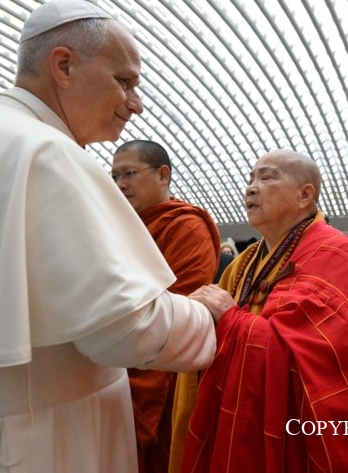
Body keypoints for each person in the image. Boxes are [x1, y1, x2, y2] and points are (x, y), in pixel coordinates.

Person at [0, 0, 217, 472]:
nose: (136, 103)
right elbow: (124, 330)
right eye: (124, 81)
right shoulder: (46, 150)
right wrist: (206, 315)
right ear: (63, 66)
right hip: (29, 439)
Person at [183, 149, 348, 472]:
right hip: (244, 409)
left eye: (266, 177)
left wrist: (231, 319)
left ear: (305, 195)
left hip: (299, 430)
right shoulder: (244, 261)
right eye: (251, 179)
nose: (251, 187)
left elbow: (326, 359)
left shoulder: (335, 251)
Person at [112, 140, 220, 473]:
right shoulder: (119, 225)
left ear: (163, 175)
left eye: (129, 173)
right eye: (114, 176)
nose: (120, 184)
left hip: (164, 370)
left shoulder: (185, 226)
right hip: (115, 360)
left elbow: (181, 307)